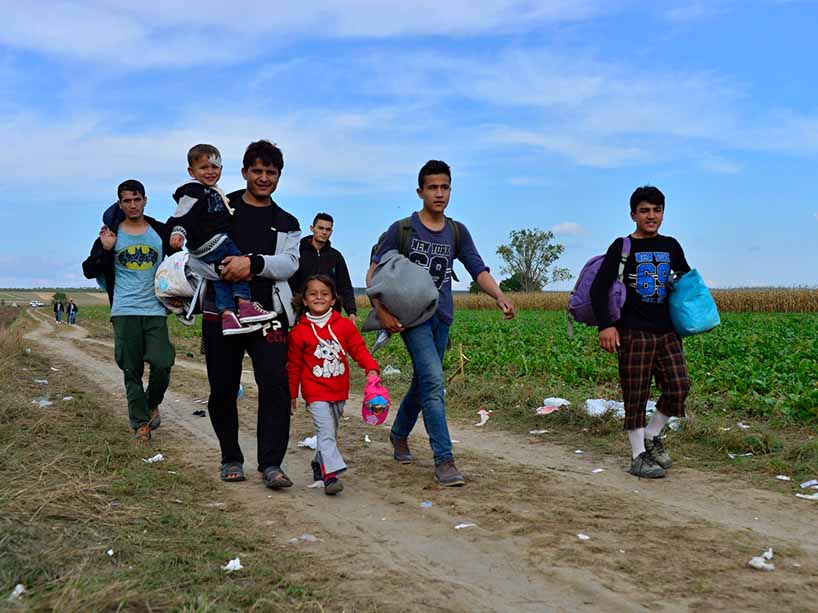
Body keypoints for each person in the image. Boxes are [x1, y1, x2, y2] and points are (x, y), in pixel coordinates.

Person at [367, 160, 515, 486]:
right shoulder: (403, 229)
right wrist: (382, 312)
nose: (439, 193)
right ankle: (444, 459)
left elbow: (478, 269)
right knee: (434, 381)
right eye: (432, 187)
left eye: (444, 187)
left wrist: (499, 296)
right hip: (410, 320)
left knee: (423, 382)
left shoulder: (456, 231)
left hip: (442, 316)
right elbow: (374, 274)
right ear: (420, 191)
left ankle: (399, 433)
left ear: (450, 190)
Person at [191, 140, 300, 488]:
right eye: (257, 171)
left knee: (275, 386)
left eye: (271, 172)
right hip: (220, 314)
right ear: (244, 172)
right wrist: (227, 269)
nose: (264, 178)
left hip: (269, 315)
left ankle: (271, 464)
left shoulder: (287, 221)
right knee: (223, 388)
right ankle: (230, 458)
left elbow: (291, 264)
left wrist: (251, 264)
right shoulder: (218, 206)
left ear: (279, 176)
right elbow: (194, 256)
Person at [590, 185, 691, 479]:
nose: (651, 216)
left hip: (667, 331)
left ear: (663, 213)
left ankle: (652, 435)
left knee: (679, 386)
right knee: (635, 393)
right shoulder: (622, 247)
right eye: (644, 210)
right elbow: (599, 289)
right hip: (633, 332)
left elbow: (684, 283)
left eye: (657, 210)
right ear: (633, 214)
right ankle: (638, 456)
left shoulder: (672, 246)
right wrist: (606, 326)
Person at [81, 179, 177, 442]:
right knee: (131, 369)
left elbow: (180, 255)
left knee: (162, 362)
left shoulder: (158, 231)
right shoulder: (110, 234)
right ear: (120, 204)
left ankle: (151, 402)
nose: (132, 205)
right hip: (124, 310)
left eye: (137, 199)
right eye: (127, 200)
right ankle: (140, 424)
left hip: (156, 309)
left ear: (145, 200)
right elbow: (89, 270)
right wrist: (106, 250)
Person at [167, 144, 275, 335]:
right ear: (191, 171)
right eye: (203, 168)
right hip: (214, 241)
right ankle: (245, 304)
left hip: (205, 248)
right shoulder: (194, 191)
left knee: (221, 279)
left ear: (221, 169)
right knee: (240, 262)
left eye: (214, 167)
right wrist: (178, 232)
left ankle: (227, 315)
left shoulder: (212, 191)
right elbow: (183, 214)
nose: (210, 172)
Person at [288, 275, 380, 495]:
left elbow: (358, 349)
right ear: (304, 300)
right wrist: (292, 394)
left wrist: (372, 368)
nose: (319, 297)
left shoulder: (344, 326)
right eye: (313, 294)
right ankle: (331, 476)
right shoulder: (299, 332)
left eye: (324, 294)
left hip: (339, 391)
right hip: (315, 392)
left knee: (330, 432)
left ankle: (318, 462)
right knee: (326, 430)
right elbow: (293, 366)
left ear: (332, 300)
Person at [289, 213, 357, 323]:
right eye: (320, 228)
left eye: (328, 229)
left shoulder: (336, 256)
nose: (324, 232)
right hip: (303, 314)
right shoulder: (297, 253)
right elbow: (291, 284)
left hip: (330, 314)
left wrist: (351, 312)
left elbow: (345, 286)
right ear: (312, 228)